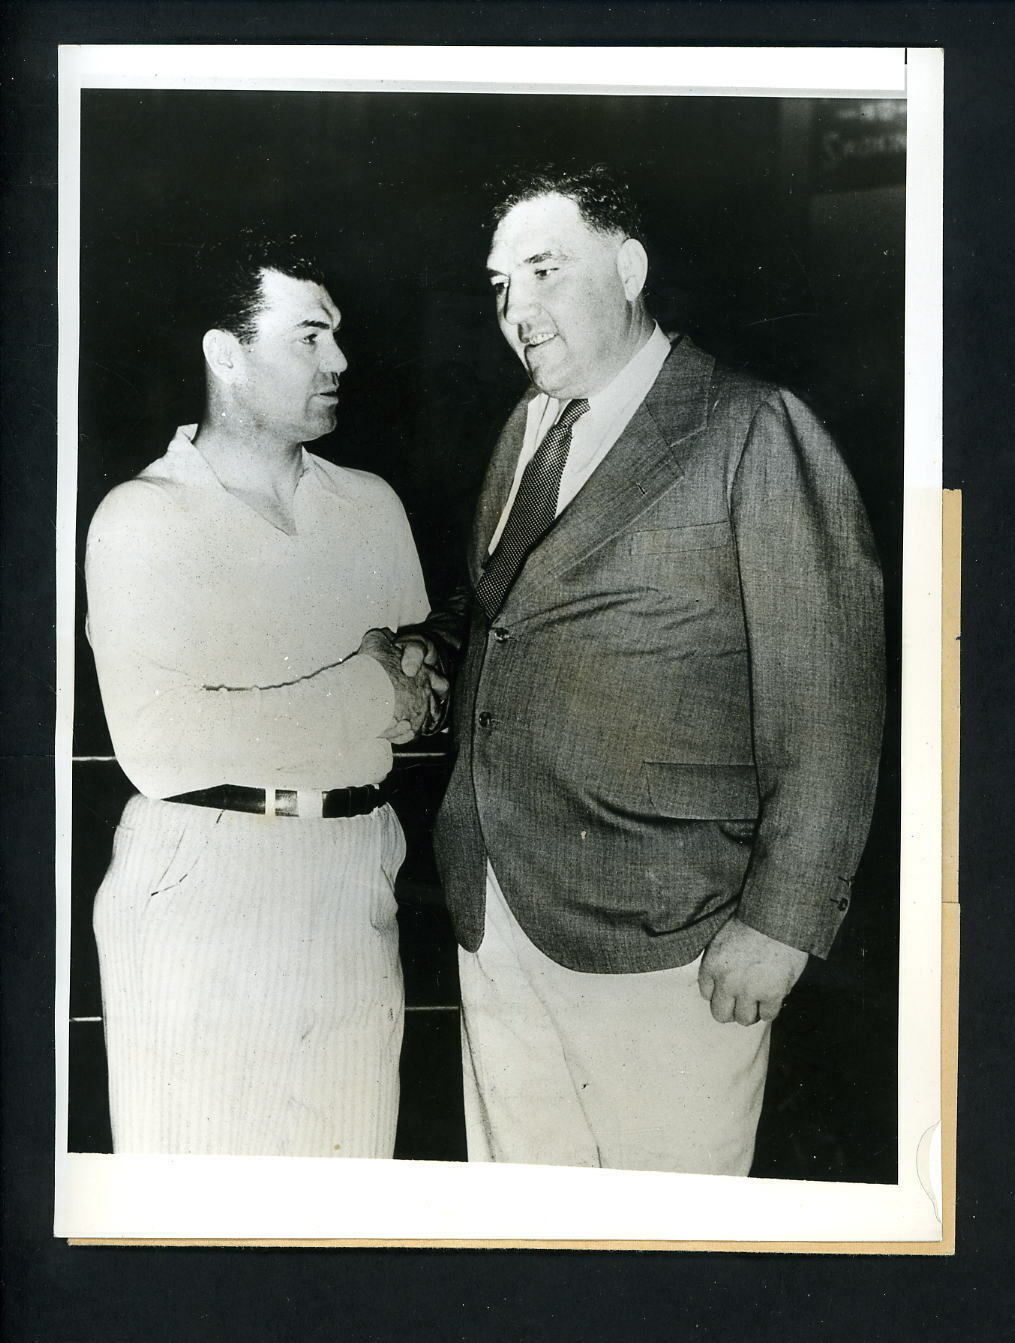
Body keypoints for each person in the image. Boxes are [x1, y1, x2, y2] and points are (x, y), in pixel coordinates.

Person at [428, 164, 885, 1175]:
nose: (516, 309)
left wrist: (783, 922)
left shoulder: (751, 430)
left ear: (627, 266)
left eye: (544, 271)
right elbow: (524, 621)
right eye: (501, 283)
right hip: (496, 913)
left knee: (670, 1261)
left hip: (672, 938)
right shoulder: (526, 427)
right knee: (520, 1251)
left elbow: (831, 708)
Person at [85, 228, 445, 1157]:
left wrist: (409, 676)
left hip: (352, 874)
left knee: (343, 1205)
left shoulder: (371, 504)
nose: (341, 359)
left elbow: (418, 685)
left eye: (337, 335)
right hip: (204, 880)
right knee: (196, 1213)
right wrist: (364, 694)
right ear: (225, 354)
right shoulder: (143, 517)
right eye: (309, 336)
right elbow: (162, 744)